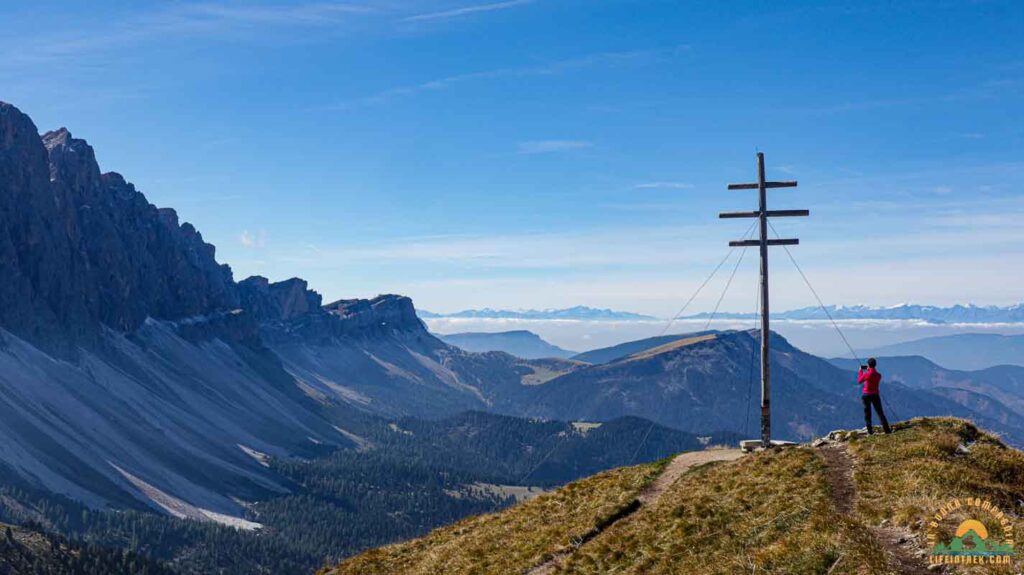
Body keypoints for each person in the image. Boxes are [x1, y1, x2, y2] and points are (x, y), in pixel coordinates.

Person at [858, 357, 891, 434]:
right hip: (876, 395)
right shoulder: (878, 375)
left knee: (868, 414)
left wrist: (860, 371)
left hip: (866, 395)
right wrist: (868, 369)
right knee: (880, 412)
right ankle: (887, 430)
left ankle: (870, 432)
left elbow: (859, 380)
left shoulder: (867, 374)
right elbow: (873, 375)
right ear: (875, 365)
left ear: (868, 365)